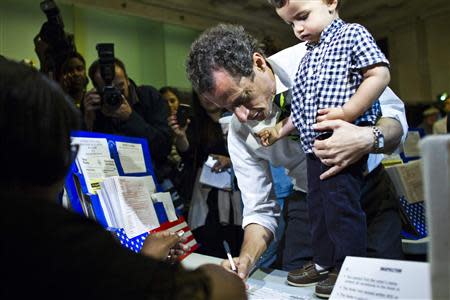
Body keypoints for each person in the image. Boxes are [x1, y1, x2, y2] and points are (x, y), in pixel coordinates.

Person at [186, 24, 407, 298]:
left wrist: (367, 138)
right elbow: (259, 209)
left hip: (367, 191)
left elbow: (395, 121)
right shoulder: (240, 132)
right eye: (229, 108)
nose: (241, 117)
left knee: (378, 290)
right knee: (294, 289)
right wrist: (246, 259)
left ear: (258, 63)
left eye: (242, 98)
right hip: (307, 202)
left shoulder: (324, 53)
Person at [1, 58, 246, 300]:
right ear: (55, 157)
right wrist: (144, 265)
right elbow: (223, 291)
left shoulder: (148, 99)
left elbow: (162, 145)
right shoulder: (62, 240)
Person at [258, 0, 391, 295]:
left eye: (303, 17)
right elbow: (302, 107)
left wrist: (348, 111)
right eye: (291, 24)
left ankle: (347, 266)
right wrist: (279, 130)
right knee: (317, 208)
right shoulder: (308, 55)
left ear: (331, 2)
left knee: (341, 207)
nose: (298, 29)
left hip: (340, 143)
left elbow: (379, 74)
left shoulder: (352, 34)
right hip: (313, 148)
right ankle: (322, 262)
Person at [168, 91, 244, 258]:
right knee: (209, 241)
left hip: (238, 192)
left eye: (211, 92)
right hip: (206, 192)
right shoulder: (195, 123)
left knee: (237, 241)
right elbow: (188, 153)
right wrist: (180, 135)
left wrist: (230, 160)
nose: (207, 98)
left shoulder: (238, 118)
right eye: (202, 93)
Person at [83, 58, 172, 181]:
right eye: (108, 90)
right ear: (96, 89)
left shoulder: (149, 97)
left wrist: (130, 118)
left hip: (154, 176)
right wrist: (88, 120)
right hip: (110, 179)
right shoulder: (94, 107)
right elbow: (86, 158)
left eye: (120, 87)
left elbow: (163, 147)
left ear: (127, 80)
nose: (116, 95)